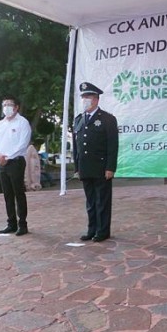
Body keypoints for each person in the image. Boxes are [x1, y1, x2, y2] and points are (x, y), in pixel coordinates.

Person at [73, 82, 119, 242]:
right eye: (83, 96)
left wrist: (110, 167)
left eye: (88, 96)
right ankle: (91, 229)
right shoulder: (79, 119)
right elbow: (77, 147)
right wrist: (76, 167)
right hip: (85, 168)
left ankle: (102, 231)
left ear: (96, 99)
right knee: (90, 202)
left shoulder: (107, 119)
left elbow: (112, 146)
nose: (85, 99)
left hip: (101, 168)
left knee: (102, 201)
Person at [0, 96, 31, 235]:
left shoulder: (22, 123)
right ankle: (11, 223)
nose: (6, 107)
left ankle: (22, 224)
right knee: (7, 194)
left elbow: (22, 144)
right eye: (4, 104)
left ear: (16, 107)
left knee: (18, 193)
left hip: (16, 162)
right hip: (2, 163)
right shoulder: (1, 124)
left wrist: (8, 157)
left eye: (9, 104)